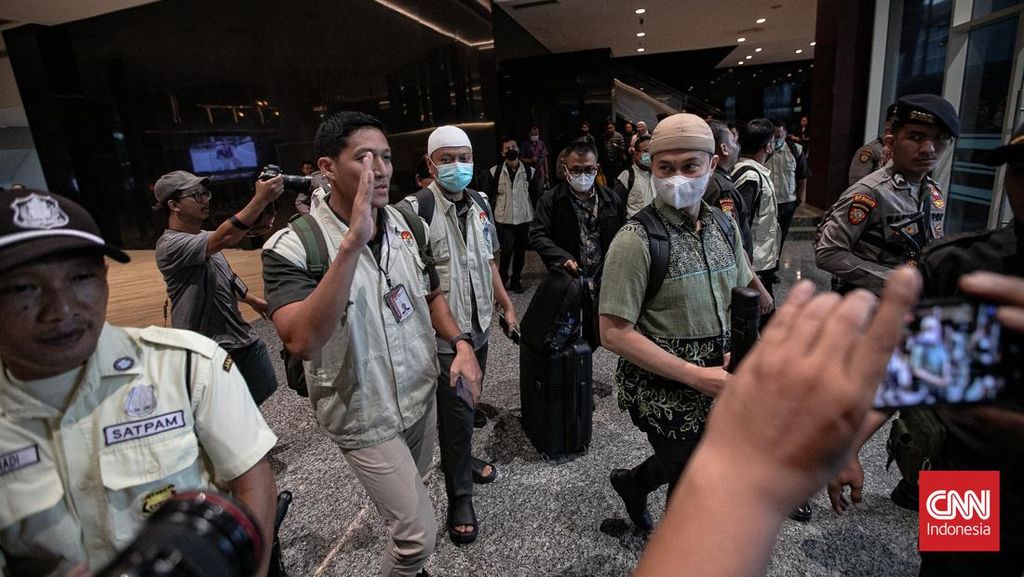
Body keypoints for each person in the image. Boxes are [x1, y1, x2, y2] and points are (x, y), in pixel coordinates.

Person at [0, 189, 278, 576]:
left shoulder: (184, 366)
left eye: (80, 278)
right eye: (23, 288)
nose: (60, 310)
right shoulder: (174, 246)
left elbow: (253, 483)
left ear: (104, 277)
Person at [261, 111, 481, 577]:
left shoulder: (406, 224)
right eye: (364, 158)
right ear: (327, 167)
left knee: (413, 493)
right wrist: (351, 244)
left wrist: (460, 343)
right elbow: (302, 340)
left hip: (419, 393)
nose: (380, 169)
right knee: (416, 537)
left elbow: (431, 293)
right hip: (362, 409)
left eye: (385, 156)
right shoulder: (294, 245)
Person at [632, 266, 925, 577]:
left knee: (955, 551)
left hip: (961, 461)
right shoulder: (950, 262)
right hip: (953, 467)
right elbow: (920, 374)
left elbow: (919, 378)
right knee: (949, 556)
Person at [828, 123, 1024, 576]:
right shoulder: (962, 265)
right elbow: (915, 371)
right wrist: (849, 447)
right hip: (967, 472)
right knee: (948, 569)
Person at [599, 113, 770, 532]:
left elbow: (745, 282)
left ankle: (633, 483)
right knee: (694, 482)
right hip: (665, 389)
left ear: (713, 164)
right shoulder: (636, 241)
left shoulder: (723, 224)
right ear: (651, 168)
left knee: (692, 458)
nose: (677, 178)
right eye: (665, 167)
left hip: (721, 377)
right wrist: (696, 376)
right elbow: (613, 333)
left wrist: (760, 324)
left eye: (690, 166)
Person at [402, 125, 516, 545]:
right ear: (430, 164)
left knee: (465, 409)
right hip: (445, 338)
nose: (457, 166)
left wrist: (506, 304)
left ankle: (462, 460)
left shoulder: (481, 202)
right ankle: (460, 498)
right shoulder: (414, 211)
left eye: (463, 158)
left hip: (479, 325)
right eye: (446, 159)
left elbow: (488, 261)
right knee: (457, 413)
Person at [154, 170, 283, 405]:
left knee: (260, 393)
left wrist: (252, 299)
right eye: (197, 195)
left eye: (205, 193)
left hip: (239, 337)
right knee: (223, 410)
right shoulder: (170, 245)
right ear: (174, 204)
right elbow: (225, 236)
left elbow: (226, 275)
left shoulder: (205, 237)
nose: (205, 199)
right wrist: (260, 199)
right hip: (207, 347)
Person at [816, 94, 960, 295]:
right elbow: (828, 253)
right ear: (891, 142)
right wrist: (894, 282)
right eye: (915, 137)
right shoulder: (870, 192)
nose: (929, 149)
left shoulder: (934, 192)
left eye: (941, 138)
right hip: (869, 299)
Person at [530, 140, 626, 348]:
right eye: (576, 170)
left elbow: (622, 235)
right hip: (568, 281)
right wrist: (562, 258)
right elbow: (537, 234)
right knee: (565, 333)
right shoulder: (551, 200)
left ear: (597, 168)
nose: (583, 175)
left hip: (603, 281)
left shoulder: (611, 199)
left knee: (598, 334)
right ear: (565, 169)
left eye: (589, 169)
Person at [732, 119, 781, 307]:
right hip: (754, 266)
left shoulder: (745, 170)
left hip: (757, 264)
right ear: (768, 147)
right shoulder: (750, 176)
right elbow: (738, 228)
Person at [488, 135, 539, 293]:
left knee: (520, 251)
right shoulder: (495, 172)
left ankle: (516, 280)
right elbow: (490, 195)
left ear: (518, 149)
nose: (511, 150)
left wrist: (538, 218)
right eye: (507, 148)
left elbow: (535, 195)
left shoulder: (529, 171)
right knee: (507, 250)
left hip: (523, 217)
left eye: (513, 147)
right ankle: (502, 279)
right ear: (503, 152)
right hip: (504, 217)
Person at [704, 119, 752, 258]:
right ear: (724, 149)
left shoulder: (709, 178)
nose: (737, 146)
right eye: (734, 141)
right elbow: (732, 235)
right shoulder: (724, 189)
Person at [766, 119, 808, 254]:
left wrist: (800, 198)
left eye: (780, 134)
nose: (777, 137)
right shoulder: (764, 151)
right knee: (767, 236)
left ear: (785, 134)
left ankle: (776, 263)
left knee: (781, 236)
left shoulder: (795, 150)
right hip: (768, 202)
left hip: (787, 202)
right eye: (775, 135)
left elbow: (803, 175)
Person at [849, 103, 897, 186]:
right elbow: (857, 186)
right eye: (897, 123)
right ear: (888, 125)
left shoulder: (902, 152)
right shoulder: (871, 151)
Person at [615, 134, 654, 217]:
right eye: (646, 151)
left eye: (652, 151)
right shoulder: (627, 176)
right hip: (634, 222)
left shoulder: (656, 175)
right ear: (636, 154)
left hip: (653, 222)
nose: (650, 155)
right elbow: (617, 205)